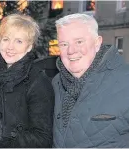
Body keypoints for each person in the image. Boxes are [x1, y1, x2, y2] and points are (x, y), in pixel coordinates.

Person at [0, 14, 55, 147]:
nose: (10, 47)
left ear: (29, 47)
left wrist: (2, 132)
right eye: (6, 39)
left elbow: (43, 140)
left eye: (19, 41)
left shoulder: (38, 82)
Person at [52, 13, 129, 148]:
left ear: (97, 43)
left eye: (79, 42)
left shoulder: (125, 82)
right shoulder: (55, 83)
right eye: (64, 44)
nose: (71, 51)